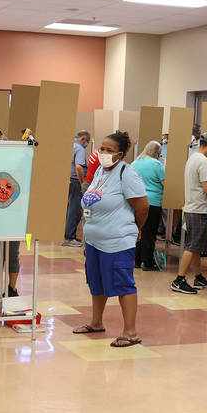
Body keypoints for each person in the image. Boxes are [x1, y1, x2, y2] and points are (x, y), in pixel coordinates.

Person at [71, 131, 148, 347]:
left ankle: (130, 332)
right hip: (95, 240)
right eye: (102, 148)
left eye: (109, 150)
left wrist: (136, 228)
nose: (103, 153)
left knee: (123, 284)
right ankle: (96, 322)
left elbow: (142, 206)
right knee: (96, 282)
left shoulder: (127, 173)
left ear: (120, 154)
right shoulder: (100, 172)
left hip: (117, 241)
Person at [170, 132, 207, 294]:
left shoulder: (192, 158)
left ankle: (198, 276)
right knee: (192, 246)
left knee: (196, 245)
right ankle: (179, 280)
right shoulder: (205, 162)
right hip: (201, 210)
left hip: (192, 208)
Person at [131, 140, 166, 270]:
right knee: (149, 233)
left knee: (138, 231)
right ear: (157, 152)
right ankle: (148, 262)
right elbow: (164, 183)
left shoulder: (135, 163)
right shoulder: (156, 164)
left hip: (136, 202)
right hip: (153, 202)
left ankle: (136, 260)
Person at [64, 130, 89, 247]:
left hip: (67, 180)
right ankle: (69, 237)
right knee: (75, 210)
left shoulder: (69, 145)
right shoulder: (80, 149)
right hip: (75, 181)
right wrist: (82, 182)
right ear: (83, 139)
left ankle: (68, 235)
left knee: (69, 210)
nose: (87, 144)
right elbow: (79, 167)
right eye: (87, 141)